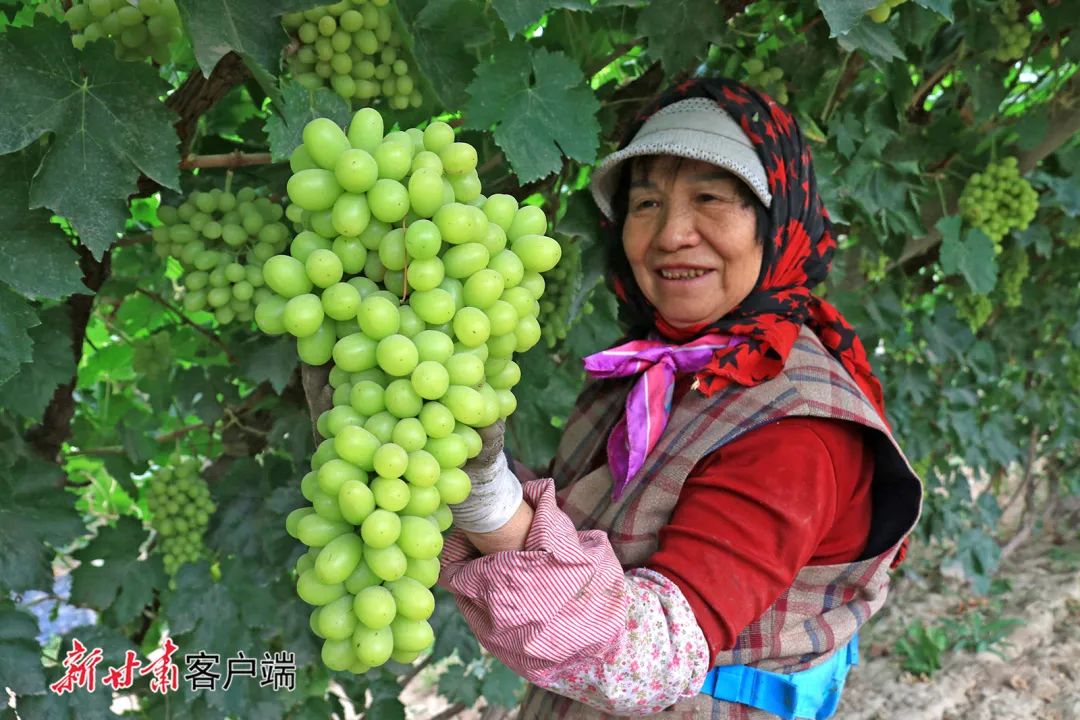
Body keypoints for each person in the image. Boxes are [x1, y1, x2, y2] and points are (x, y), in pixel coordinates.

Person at [439, 77, 923, 720]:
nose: (670, 235)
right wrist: (439, 453)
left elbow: (645, 659)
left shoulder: (797, 433)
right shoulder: (652, 372)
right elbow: (576, 537)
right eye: (646, 203)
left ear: (779, 224)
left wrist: (485, 500)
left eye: (710, 198)